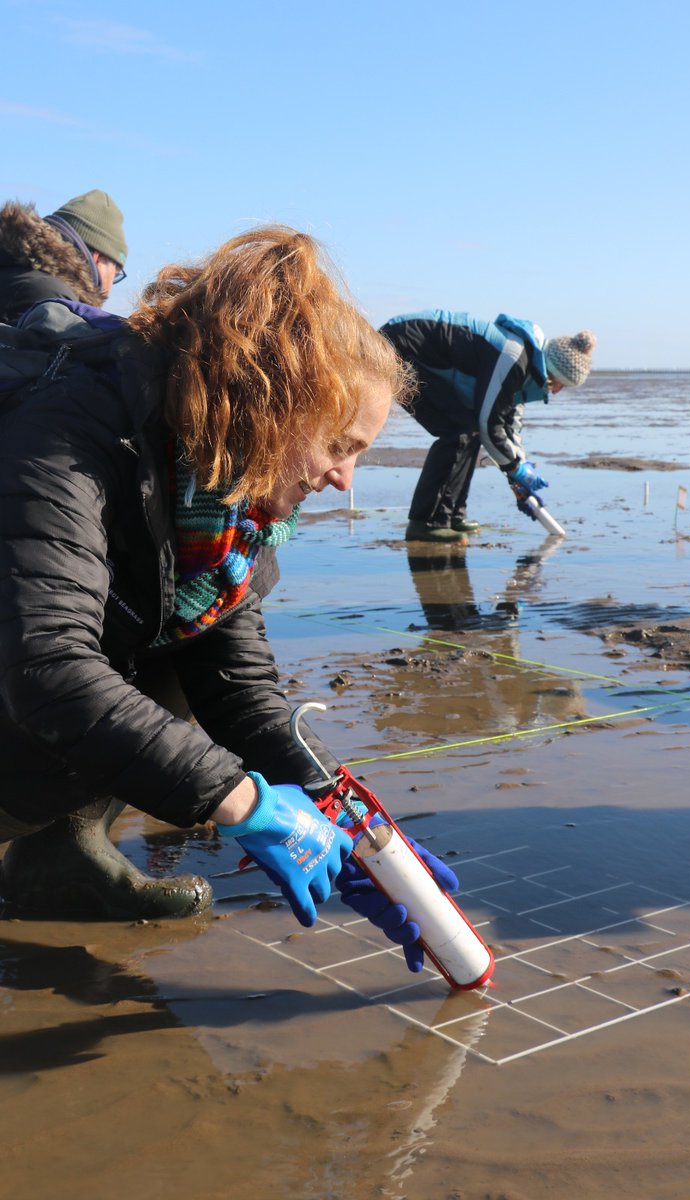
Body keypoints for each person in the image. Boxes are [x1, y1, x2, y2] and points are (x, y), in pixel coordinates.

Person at [0, 225, 457, 973]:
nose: (344, 479)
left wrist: (352, 823)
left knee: (185, 656)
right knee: (86, 679)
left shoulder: (227, 502)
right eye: (341, 445)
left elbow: (237, 686)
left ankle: (61, 855)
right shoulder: (69, 431)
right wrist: (244, 802)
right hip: (20, 679)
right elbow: (48, 666)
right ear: (275, 400)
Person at [379, 310, 597, 542]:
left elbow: (509, 426)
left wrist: (519, 475)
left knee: (468, 430)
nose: (556, 391)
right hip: (396, 348)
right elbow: (490, 424)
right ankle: (425, 523)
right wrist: (514, 469)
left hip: (417, 354)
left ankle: (451, 516)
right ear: (549, 370)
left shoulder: (527, 367)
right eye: (558, 383)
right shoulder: (513, 356)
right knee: (458, 431)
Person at [0, 188, 128, 324]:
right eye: (115, 275)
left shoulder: (13, 269)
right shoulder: (52, 300)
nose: (110, 289)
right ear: (99, 259)